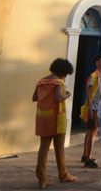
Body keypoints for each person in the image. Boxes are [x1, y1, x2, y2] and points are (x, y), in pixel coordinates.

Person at [32, 58, 79, 189]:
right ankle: (63, 175)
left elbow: (34, 98)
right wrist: (68, 94)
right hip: (57, 121)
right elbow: (58, 98)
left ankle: (42, 178)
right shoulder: (58, 83)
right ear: (63, 73)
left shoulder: (41, 82)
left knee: (43, 149)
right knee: (59, 149)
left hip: (43, 120)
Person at [80, 53, 101, 169]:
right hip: (93, 107)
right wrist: (90, 108)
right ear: (96, 63)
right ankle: (88, 158)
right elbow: (88, 93)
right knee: (92, 132)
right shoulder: (92, 76)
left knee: (90, 132)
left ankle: (85, 154)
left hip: (100, 107)